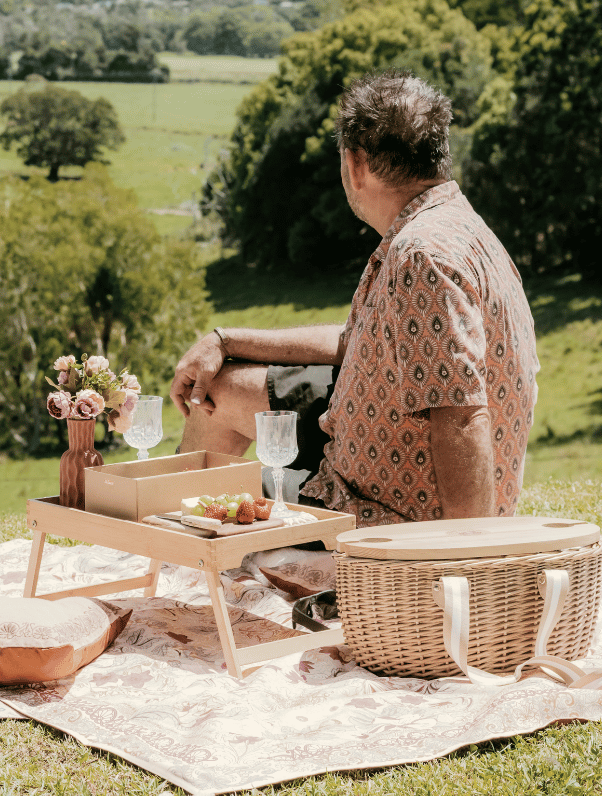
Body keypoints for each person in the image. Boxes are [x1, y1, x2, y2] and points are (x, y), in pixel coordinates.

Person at [170, 71, 539, 526]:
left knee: (210, 496)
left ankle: (175, 543)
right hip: (360, 453)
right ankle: (175, 542)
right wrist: (224, 341)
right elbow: (354, 340)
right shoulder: (456, 227)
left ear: (356, 162)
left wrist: (469, 555)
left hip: (373, 515)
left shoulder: (421, 256)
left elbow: (462, 417)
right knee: (216, 387)